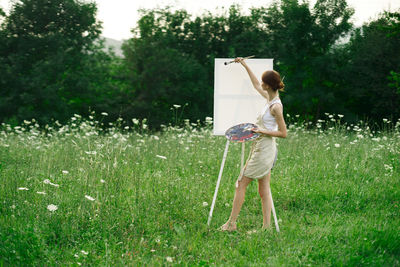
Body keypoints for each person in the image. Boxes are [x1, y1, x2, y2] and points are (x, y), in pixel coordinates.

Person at [220, 57, 287, 231]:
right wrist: (244, 64)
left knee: (241, 183)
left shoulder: (276, 107)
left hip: (265, 149)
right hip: (260, 146)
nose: (261, 84)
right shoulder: (268, 98)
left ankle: (231, 224)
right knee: (263, 188)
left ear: (268, 85)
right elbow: (255, 84)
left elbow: (283, 133)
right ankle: (267, 228)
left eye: (264, 82)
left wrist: (261, 131)